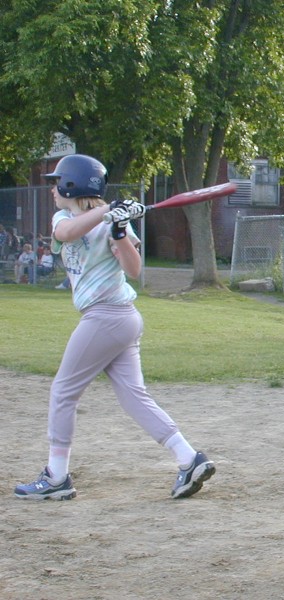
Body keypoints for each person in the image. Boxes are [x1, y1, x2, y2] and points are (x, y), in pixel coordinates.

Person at [14, 154, 215, 501]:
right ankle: (188, 458)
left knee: (62, 392)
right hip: (117, 320)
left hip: (108, 316)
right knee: (134, 397)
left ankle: (57, 477)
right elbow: (67, 232)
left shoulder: (114, 222)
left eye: (57, 183)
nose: (52, 189)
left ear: (71, 185)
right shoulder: (64, 218)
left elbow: (134, 271)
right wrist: (107, 214)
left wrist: (120, 231)